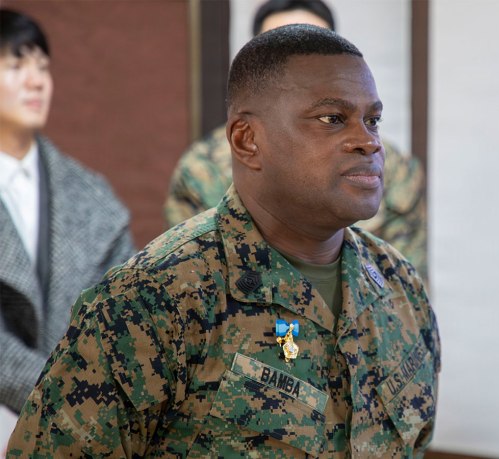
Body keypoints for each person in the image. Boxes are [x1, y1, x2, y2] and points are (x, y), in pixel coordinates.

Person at [8, 24, 439, 457]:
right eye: (332, 119)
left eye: (373, 120)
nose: (367, 141)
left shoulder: (398, 289)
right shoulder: (153, 302)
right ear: (246, 140)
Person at [165, 0, 428, 279]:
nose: (368, 142)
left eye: (373, 121)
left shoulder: (390, 168)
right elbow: (188, 277)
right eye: (282, 46)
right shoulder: (201, 169)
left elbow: (401, 293)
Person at [0, 9, 133, 415]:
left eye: (43, 67)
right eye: (15, 64)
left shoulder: (91, 195)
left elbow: (127, 313)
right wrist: (62, 400)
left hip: (82, 426)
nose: (36, 80)